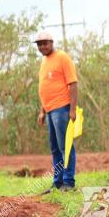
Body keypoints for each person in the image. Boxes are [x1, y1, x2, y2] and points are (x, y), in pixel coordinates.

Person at [34, 31, 78, 192]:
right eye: (39, 44)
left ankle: (68, 182)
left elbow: (73, 83)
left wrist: (72, 109)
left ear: (52, 42)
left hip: (62, 108)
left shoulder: (62, 57)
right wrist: (42, 111)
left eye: (45, 43)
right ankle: (57, 182)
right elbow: (44, 88)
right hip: (50, 110)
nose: (42, 47)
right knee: (54, 148)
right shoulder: (44, 62)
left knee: (65, 146)